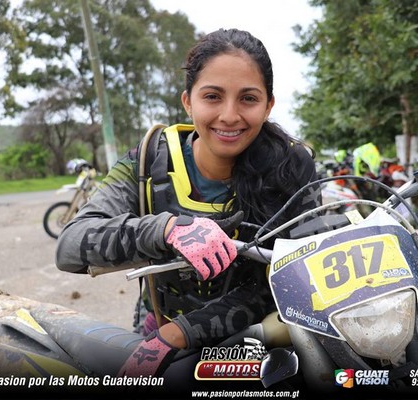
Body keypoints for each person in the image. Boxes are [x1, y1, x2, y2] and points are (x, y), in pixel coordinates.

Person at [55, 28, 320, 378]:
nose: (229, 115)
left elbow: (299, 280)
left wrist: (181, 333)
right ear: (187, 101)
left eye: (248, 98)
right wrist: (166, 228)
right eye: (212, 96)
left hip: (261, 342)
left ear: (268, 105)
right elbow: (70, 246)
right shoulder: (147, 162)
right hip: (158, 332)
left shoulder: (293, 166)